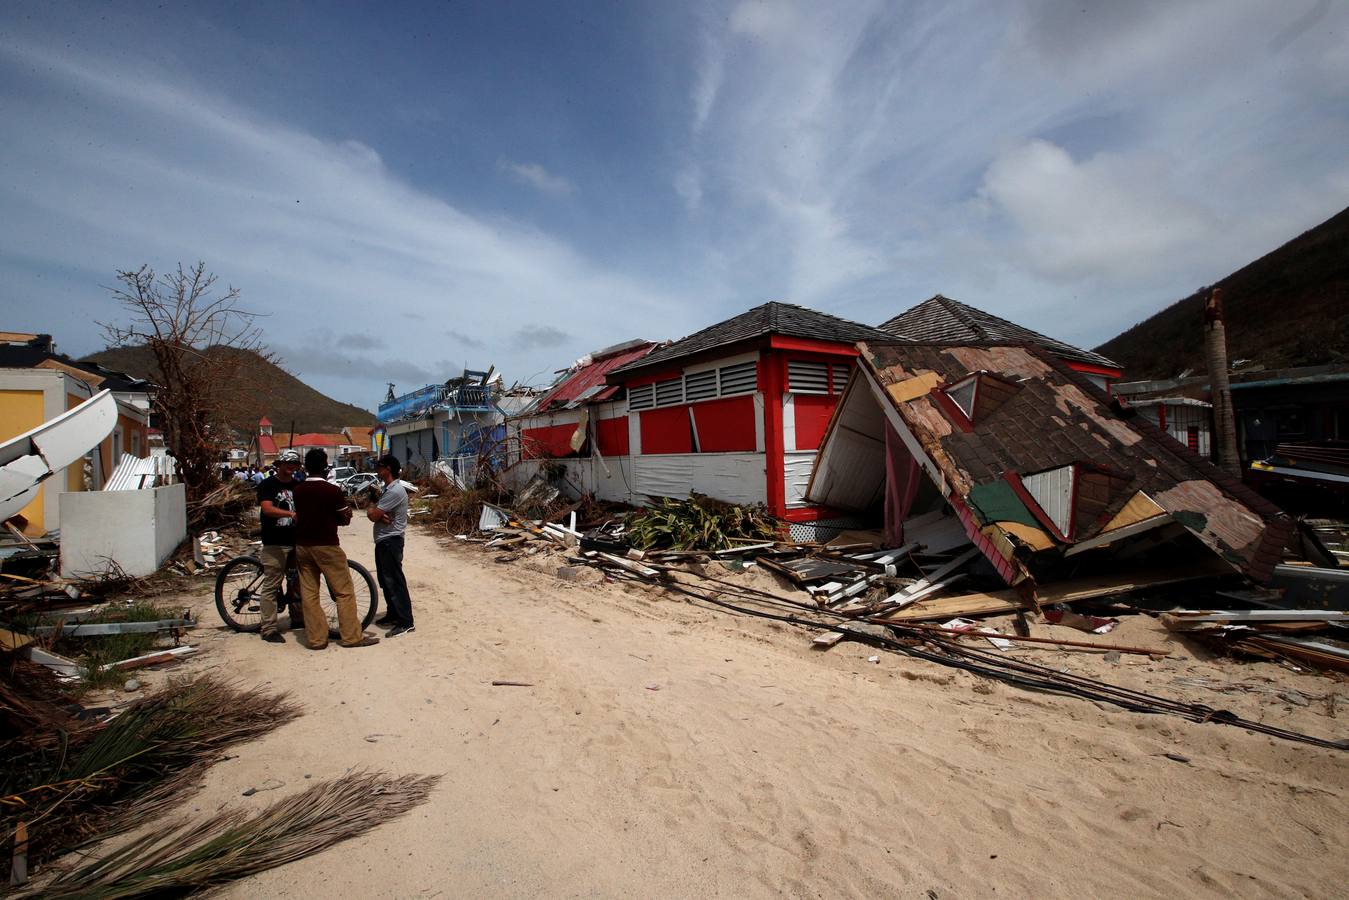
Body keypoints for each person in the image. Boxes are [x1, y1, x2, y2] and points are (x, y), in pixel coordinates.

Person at [292, 448, 379, 650]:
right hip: (327, 544)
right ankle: (351, 636)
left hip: (303, 545)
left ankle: (316, 639)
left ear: (306, 467)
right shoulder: (332, 491)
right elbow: (344, 517)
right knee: (343, 591)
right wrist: (344, 515)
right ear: (325, 467)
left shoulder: (298, 490)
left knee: (309, 593)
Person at [255, 449, 303, 642]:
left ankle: (298, 618)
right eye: (288, 464)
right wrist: (290, 515)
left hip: (295, 541)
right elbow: (266, 508)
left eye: (295, 464)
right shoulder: (268, 485)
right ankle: (268, 629)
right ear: (279, 464)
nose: (291, 468)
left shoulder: (298, 486)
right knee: (272, 585)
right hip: (275, 541)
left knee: (296, 582)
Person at [368, 454, 414, 636]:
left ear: (388, 469)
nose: (377, 470)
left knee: (394, 581)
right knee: (385, 580)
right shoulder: (388, 489)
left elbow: (372, 514)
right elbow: (376, 514)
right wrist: (377, 512)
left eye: (380, 467)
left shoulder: (395, 491)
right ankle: (394, 613)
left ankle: (406, 621)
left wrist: (374, 509)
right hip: (384, 540)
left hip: (391, 541)